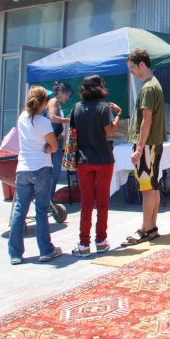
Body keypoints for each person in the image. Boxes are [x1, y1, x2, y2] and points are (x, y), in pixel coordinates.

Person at [8, 86, 62, 265]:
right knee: (41, 210)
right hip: (41, 167)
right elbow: (54, 146)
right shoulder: (43, 122)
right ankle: (45, 250)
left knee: (20, 211)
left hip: (23, 168)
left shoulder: (22, 117)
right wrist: (48, 148)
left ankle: (15, 253)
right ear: (44, 103)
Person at [69, 75, 122, 257]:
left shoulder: (76, 107)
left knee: (86, 203)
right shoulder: (103, 107)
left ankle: (83, 244)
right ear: (100, 88)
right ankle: (101, 241)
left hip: (83, 160)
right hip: (104, 159)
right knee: (102, 202)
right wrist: (118, 114)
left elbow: (73, 133)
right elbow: (111, 131)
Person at [121, 49, 166, 246]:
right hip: (153, 143)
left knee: (147, 187)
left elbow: (146, 121)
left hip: (147, 145)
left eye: (132, 67)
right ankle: (152, 227)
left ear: (142, 64)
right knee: (152, 186)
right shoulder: (154, 84)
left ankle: (146, 228)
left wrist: (139, 148)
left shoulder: (148, 87)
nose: (130, 71)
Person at [44, 81, 73, 200]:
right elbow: (52, 118)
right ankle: (48, 201)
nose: (67, 98)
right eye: (67, 95)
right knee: (54, 174)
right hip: (54, 141)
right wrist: (69, 120)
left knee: (55, 174)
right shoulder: (53, 101)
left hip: (57, 141)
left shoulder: (57, 104)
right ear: (60, 92)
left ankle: (48, 201)